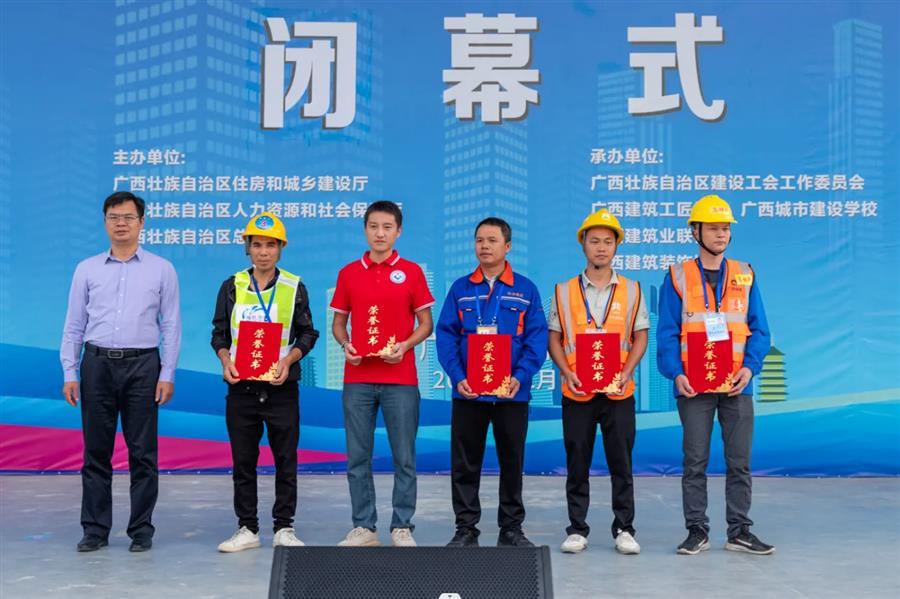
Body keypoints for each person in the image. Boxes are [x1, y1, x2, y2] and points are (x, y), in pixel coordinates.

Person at [61, 191, 181, 553]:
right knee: (96, 452)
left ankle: (141, 529)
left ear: (142, 222)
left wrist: (167, 373)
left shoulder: (161, 269)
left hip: (143, 366)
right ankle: (95, 529)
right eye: (114, 217)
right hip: (96, 364)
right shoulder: (87, 269)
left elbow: (171, 325)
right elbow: (74, 324)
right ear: (105, 222)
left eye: (128, 217)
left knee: (143, 452)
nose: (121, 223)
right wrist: (70, 371)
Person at [656, 194, 775, 555]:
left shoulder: (745, 273)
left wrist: (749, 368)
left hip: (737, 385)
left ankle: (739, 530)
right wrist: (675, 374)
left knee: (740, 462)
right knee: (695, 461)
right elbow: (667, 332)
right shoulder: (677, 276)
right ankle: (697, 530)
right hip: (694, 387)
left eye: (725, 228)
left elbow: (760, 330)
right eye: (713, 228)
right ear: (695, 232)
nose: (721, 234)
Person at [436, 217, 548, 547]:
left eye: (492, 240)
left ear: (507, 246)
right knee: (465, 463)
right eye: (479, 240)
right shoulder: (461, 289)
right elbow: (446, 336)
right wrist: (458, 377)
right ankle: (465, 528)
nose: (484, 246)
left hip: (511, 394)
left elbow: (537, 339)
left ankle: (511, 528)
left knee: (511, 461)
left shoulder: (525, 289)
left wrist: (519, 377)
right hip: (469, 393)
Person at [211, 212, 319, 552]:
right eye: (257, 245)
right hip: (241, 388)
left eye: (271, 245)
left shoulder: (294, 287)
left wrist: (288, 360)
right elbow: (219, 334)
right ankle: (247, 527)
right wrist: (226, 360)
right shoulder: (232, 286)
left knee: (285, 459)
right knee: (243, 461)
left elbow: (308, 333)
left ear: (281, 249)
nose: (263, 252)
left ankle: (284, 527)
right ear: (247, 248)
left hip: (280, 387)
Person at [330, 201, 434, 547]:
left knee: (404, 456)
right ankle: (364, 526)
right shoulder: (349, 273)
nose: (380, 233)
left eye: (387, 227)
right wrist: (346, 344)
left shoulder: (411, 272)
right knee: (357, 456)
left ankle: (402, 525)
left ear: (398, 231)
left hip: (400, 379)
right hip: (358, 377)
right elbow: (339, 323)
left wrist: (404, 346)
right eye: (373, 226)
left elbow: (426, 323)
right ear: (365, 229)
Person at [547, 209, 648, 555]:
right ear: (583, 245)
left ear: (616, 246)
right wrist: (566, 371)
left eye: (607, 241)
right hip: (578, 390)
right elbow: (554, 337)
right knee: (577, 460)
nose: (601, 248)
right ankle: (577, 528)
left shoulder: (633, 290)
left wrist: (627, 371)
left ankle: (625, 528)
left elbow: (640, 336)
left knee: (622, 462)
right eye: (594, 241)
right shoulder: (563, 291)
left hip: (619, 391)